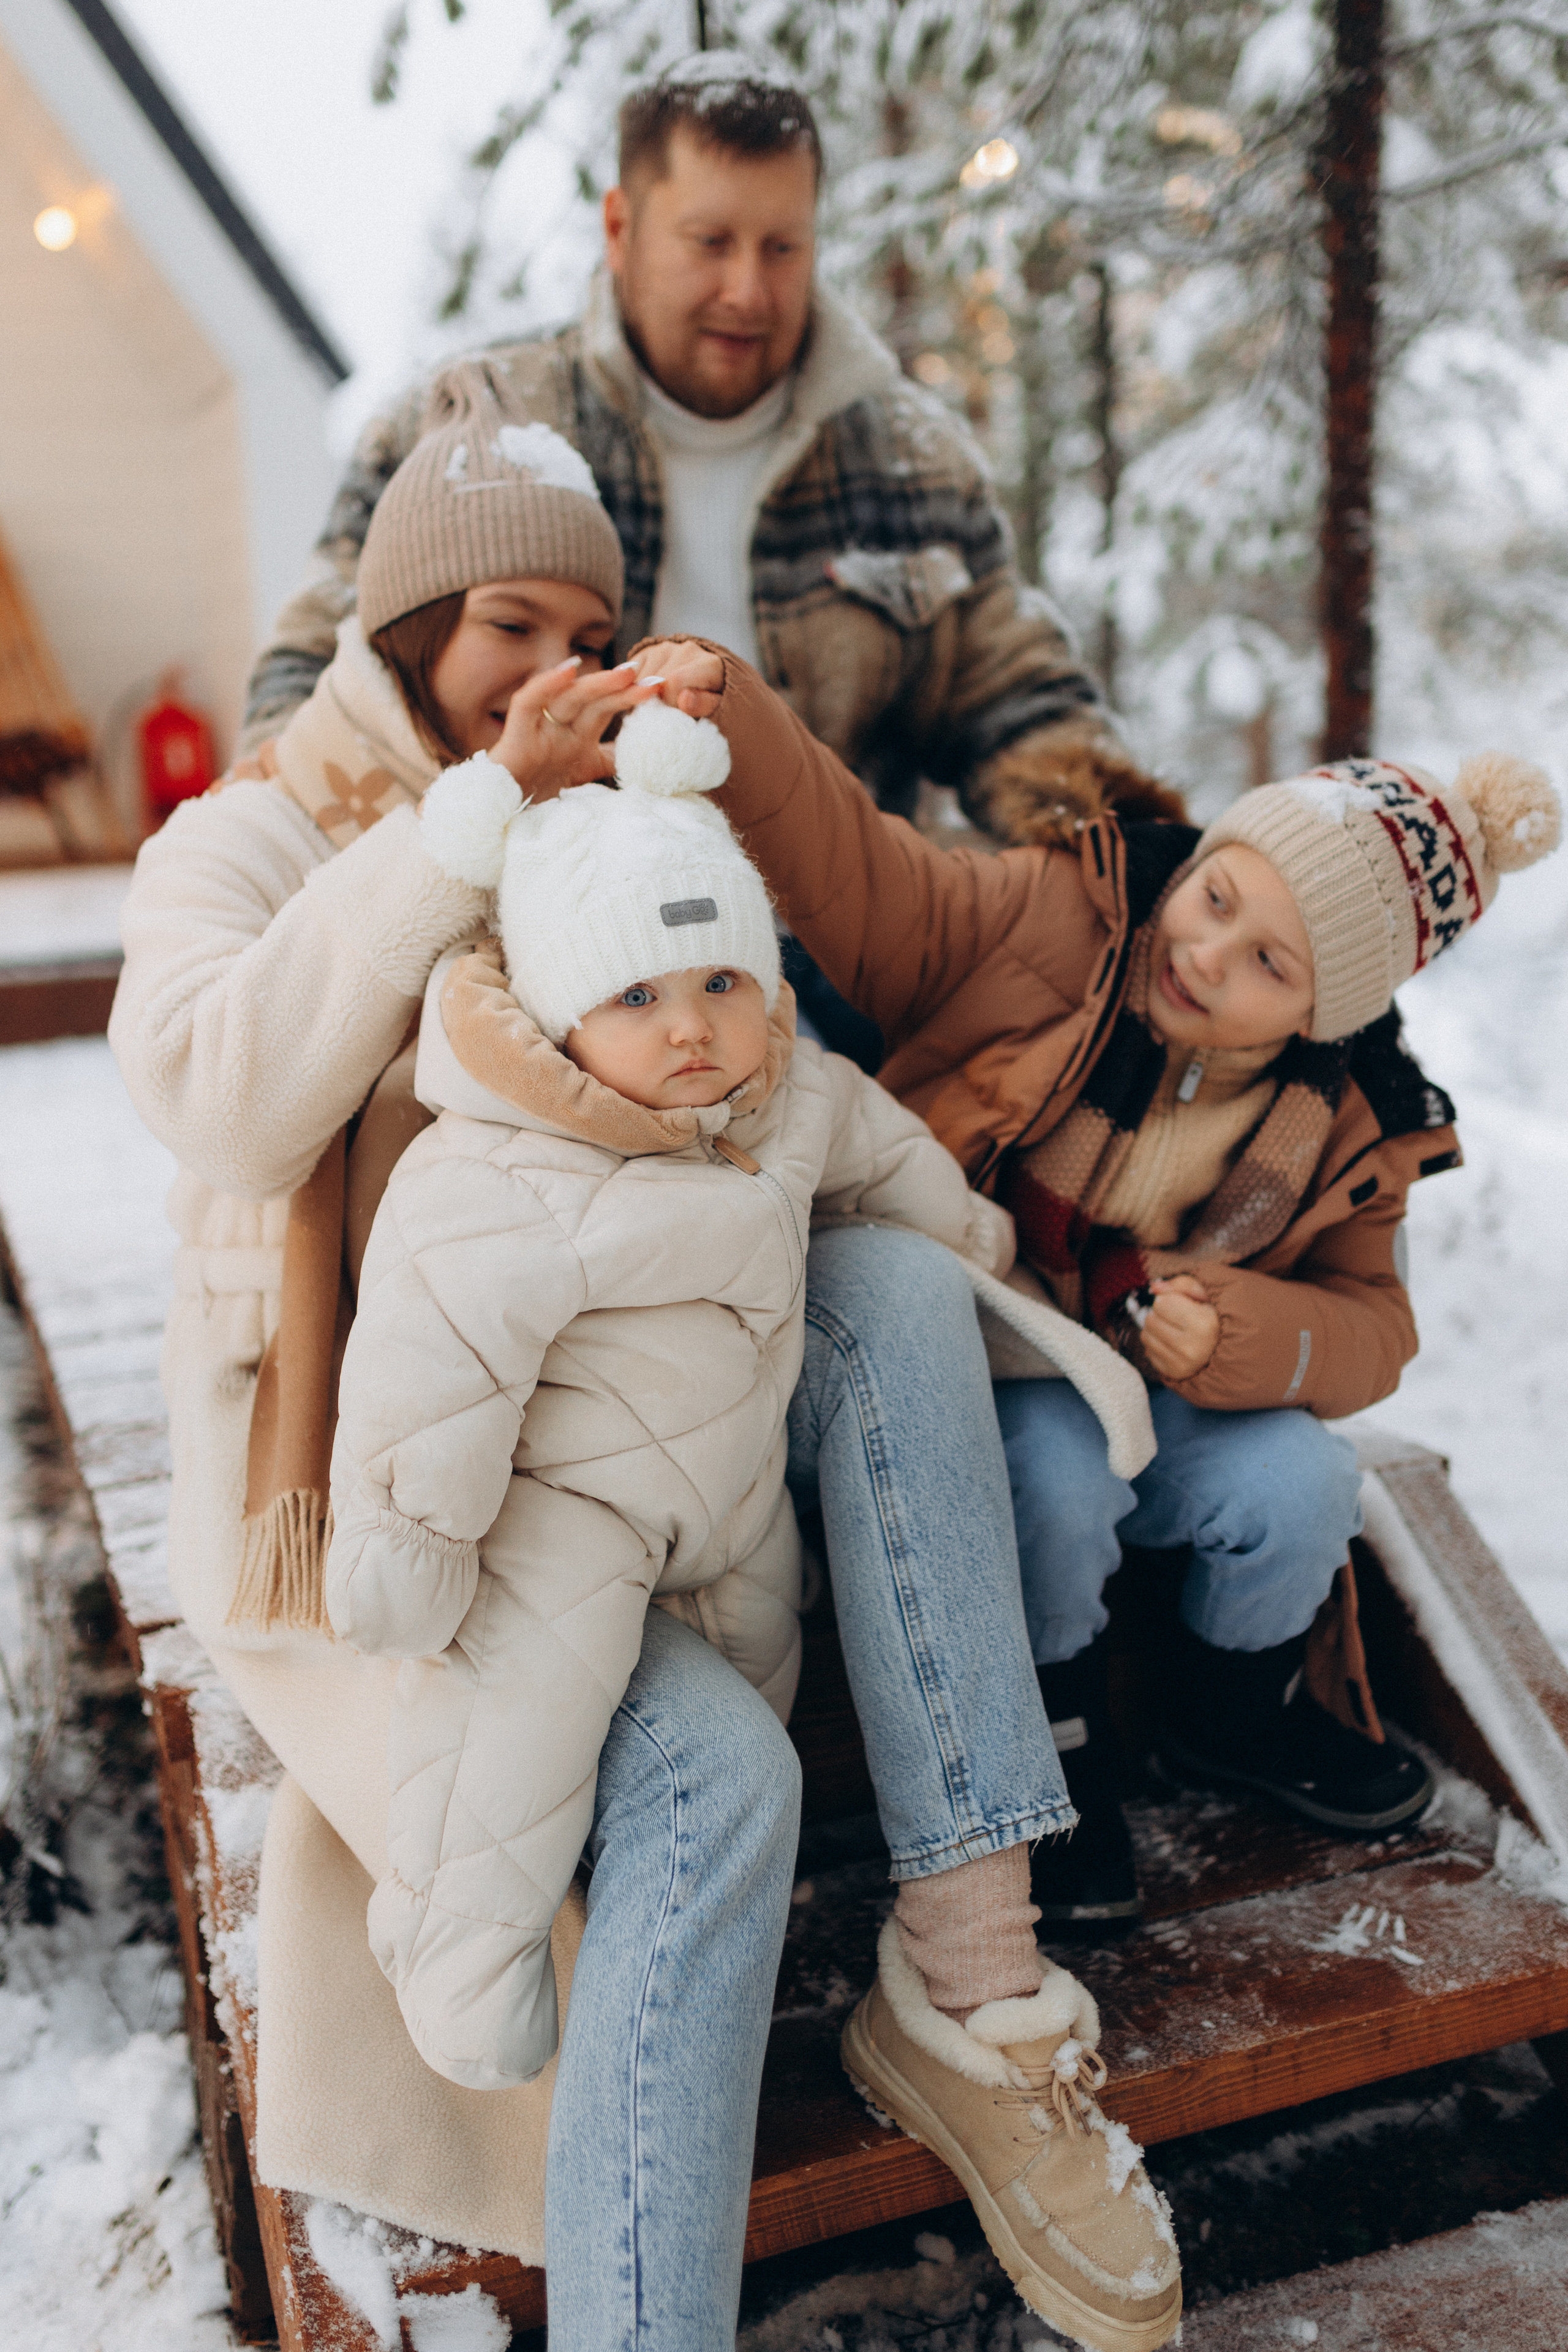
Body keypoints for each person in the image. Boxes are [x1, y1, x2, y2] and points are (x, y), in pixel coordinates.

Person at [110, 366, 1183, 2352]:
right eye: (510, 630)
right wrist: (470, 823)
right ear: (411, 627)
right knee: (710, 1781)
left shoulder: (615, 839)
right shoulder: (248, 839)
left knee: (887, 1287)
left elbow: (765, 1092)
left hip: (637, 1409)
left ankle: (970, 1975)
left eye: (585, 638)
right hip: (388, 1471)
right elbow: (235, 1107)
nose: (553, 673)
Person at [616, 637, 1561, 1952]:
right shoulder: (1054, 916)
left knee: (1299, 1486)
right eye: (1219, 895)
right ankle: (1054, 1742)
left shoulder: (1352, 1118)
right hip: (985, 1355)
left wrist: (1241, 1331)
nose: (1210, 951)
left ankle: (1228, 1712)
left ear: (1322, 1016)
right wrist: (749, 726)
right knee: (1053, 1481)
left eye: (1269, 965)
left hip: (1160, 1375)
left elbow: (1368, 1331)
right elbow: (867, 881)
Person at [239, 56, 1182, 869]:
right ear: (620, 229)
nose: (749, 290)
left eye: (783, 247)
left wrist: (1125, 853)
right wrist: (298, 859)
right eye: (710, 243)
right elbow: (318, 671)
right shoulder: (477, 426)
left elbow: (1017, 696)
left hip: (839, 955)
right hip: (538, 937)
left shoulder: (910, 457)